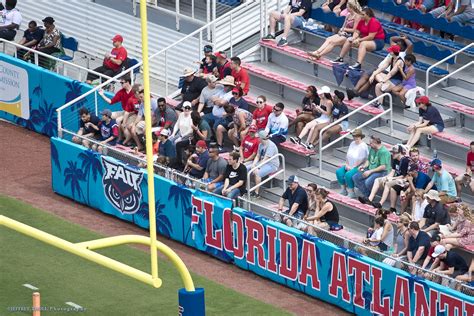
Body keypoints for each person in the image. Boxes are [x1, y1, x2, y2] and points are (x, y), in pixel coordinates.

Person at [346, 35, 413, 100]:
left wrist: (404, 38)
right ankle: (355, 92)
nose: (397, 43)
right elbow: (392, 38)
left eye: (399, 43)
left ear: (403, 46)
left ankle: (355, 91)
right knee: (368, 77)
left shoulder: (405, 54)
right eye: (397, 42)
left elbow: (410, 45)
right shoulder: (394, 49)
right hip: (381, 68)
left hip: (388, 73)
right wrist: (401, 38)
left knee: (369, 75)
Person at [359, 144, 410, 213]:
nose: (393, 154)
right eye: (392, 152)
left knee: (388, 184)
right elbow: (393, 171)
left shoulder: (404, 161)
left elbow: (403, 176)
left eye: (394, 153)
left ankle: (380, 203)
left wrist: (392, 179)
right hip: (397, 178)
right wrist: (386, 177)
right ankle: (369, 199)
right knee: (377, 180)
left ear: (400, 152)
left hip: (404, 180)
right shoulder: (395, 159)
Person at [336, 128, 369, 198]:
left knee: (348, 174)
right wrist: (347, 164)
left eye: (357, 136)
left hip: (358, 166)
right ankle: (343, 190)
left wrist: (353, 167)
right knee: (339, 171)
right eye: (354, 136)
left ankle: (352, 192)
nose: (355, 138)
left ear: (360, 136)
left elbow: (362, 159)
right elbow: (348, 155)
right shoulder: (352, 143)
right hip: (349, 164)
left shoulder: (363, 146)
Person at [249, 131, 280, 198]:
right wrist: (253, 165)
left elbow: (266, 159)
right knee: (247, 168)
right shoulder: (260, 144)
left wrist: (257, 167)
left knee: (257, 173)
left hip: (272, 165)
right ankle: (246, 188)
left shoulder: (271, 146)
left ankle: (256, 192)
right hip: (263, 162)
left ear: (261, 138)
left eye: (258, 137)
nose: (257, 138)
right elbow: (257, 156)